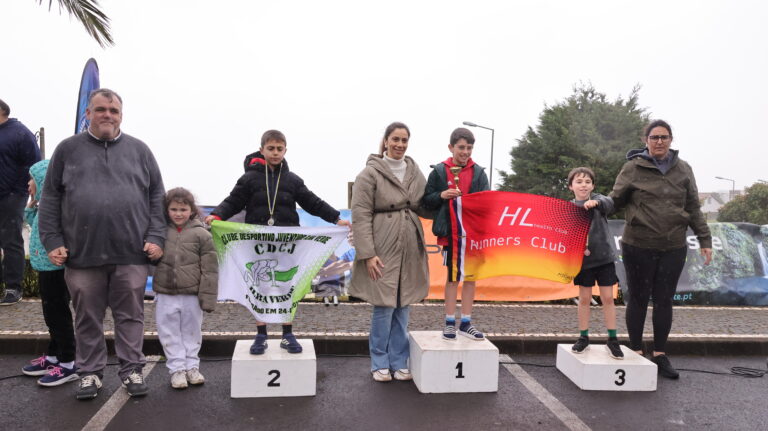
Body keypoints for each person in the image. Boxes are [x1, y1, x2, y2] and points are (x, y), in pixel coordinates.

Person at [39, 89, 166, 400]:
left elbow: (156, 197)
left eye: (113, 110)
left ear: (121, 115)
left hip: (131, 254)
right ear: (88, 113)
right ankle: (90, 374)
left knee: (131, 316)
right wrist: (52, 240)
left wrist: (156, 237)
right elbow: (50, 197)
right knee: (87, 318)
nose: (107, 115)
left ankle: (132, 369)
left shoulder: (140, 151)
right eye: (100, 109)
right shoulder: (67, 150)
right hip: (82, 255)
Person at [205, 129, 350, 355]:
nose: (275, 153)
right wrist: (217, 215)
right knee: (258, 286)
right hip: (257, 242)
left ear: (285, 150)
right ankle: (261, 334)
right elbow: (233, 201)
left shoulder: (293, 180)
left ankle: (287, 333)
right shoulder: (249, 179)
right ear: (261, 150)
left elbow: (313, 202)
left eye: (279, 149)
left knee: (287, 285)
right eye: (271, 148)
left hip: (287, 243)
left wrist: (336, 218)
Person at [610, 119, 712, 379]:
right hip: (638, 245)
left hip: (673, 246)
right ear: (646, 140)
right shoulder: (633, 168)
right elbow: (615, 200)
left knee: (664, 300)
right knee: (638, 298)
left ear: (671, 140)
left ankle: (659, 354)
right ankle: (635, 350)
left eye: (664, 137)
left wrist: (705, 239)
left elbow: (693, 207)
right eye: (654, 137)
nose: (659, 141)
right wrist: (594, 205)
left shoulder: (683, 169)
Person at [349, 122, 430, 382]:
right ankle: (379, 362)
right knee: (383, 307)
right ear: (385, 141)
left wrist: (444, 198)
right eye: (395, 139)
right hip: (382, 245)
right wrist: (368, 254)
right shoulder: (369, 174)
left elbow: (424, 206)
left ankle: (399, 361)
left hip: (409, 244)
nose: (400, 145)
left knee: (403, 305)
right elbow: (360, 214)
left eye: (404, 140)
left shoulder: (415, 172)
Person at [422, 127, 490, 341]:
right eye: (461, 147)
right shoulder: (439, 171)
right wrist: (442, 195)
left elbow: (487, 202)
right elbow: (426, 201)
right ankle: (450, 322)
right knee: (452, 278)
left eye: (469, 148)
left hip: (473, 235)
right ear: (451, 147)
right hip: (451, 234)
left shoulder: (479, 172)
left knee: (471, 278)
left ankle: (466, 322)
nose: (465, 152)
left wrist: (472, 203)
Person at [20, 160, 78, 385]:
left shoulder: (57, 209)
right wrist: (32, 204)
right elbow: (32, 221)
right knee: (51, 315)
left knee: (58, 316)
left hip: (56, 268)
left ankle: (68, 363)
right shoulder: (43, 207)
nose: (28, 184)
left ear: (43, 181)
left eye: (31, 179)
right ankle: (54, 356)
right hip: (46, 267)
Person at [154, 188, 218, 389]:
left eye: (183, 209)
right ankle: (177, 370)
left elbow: (210, 269)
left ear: (192, 210)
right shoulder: (159, 232)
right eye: (173, 209)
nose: (178, 213)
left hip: (192, 295)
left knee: (192, 332)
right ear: (166, 210)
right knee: (168, 333)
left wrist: (208, 297)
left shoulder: (202, 234)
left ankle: (192, 367)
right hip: (165, 293)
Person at [566, 167, 622, 359]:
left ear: (593, 186)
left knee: (607, 298)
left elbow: (610, 203)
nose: (583, 185)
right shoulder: (568, 208)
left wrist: (596, 202)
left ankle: (612, 339)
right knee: (584, 299)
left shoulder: (599, 201)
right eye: (579, 182)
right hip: (582, 262)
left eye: (587, 182)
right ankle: (583, 337)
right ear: (571, 186)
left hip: (604, 259)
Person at [0, 98, 41, 305]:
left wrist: (21, 189)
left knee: (11, 240)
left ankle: (13, 288)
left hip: (12, 194)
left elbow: (34, 163)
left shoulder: (20, 133)